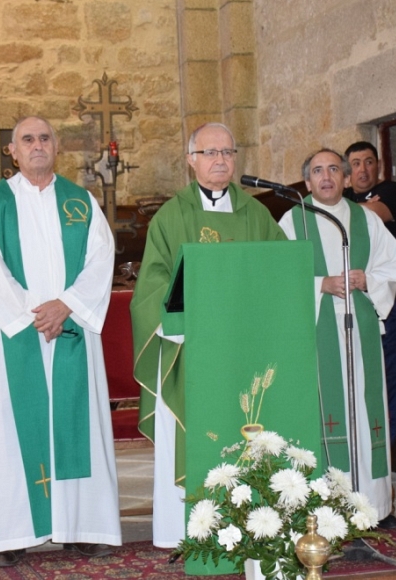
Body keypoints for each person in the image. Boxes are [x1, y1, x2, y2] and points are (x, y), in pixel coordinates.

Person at [0, 116, 121, 567]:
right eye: (28, 139)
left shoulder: (81, 202)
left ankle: (81, 526)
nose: (37, 145)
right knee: (13, 429)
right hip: (19, 335)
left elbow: (100, 261)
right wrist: (30, 317)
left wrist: (67, 305)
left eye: (45, 138)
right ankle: (12, 533)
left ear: (57, 147)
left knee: (76, 424)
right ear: (12, 151)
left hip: (70, 328)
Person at [130, 122, 286, 548]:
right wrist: (180, 326)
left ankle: (251, 526)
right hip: (192, 352)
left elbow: (279, 272)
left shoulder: (256, 214)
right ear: (191, 161)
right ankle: (185, 532)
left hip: (244, 350)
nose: (220, 160)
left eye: (228, 152)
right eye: (210, 152)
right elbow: (152, 286)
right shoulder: (171, 216)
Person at [278, 148, 396, 529]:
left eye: (334, 169)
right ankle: (326, 508)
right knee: (327, 416)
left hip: (360, 329)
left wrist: (369, 279)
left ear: (346, 178)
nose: (327, 176)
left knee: (367, 415)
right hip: (317, 335)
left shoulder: (366, 220)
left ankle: (374, 506)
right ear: (307, 182)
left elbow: (393, 263)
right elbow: (279, 277)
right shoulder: (291, 222)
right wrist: (320, 284)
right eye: (318, 170)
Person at [344, 141, 396, 446]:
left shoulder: (394, 191)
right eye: (355, 163)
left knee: (388, 379)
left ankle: (388, 456)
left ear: (378, 166)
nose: (362, 169)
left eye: (368, 162)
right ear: (348, 170)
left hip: (391, 301)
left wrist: (338, 208)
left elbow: (371, 215)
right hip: (352, 301)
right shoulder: (344, 199)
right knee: (357, 379)